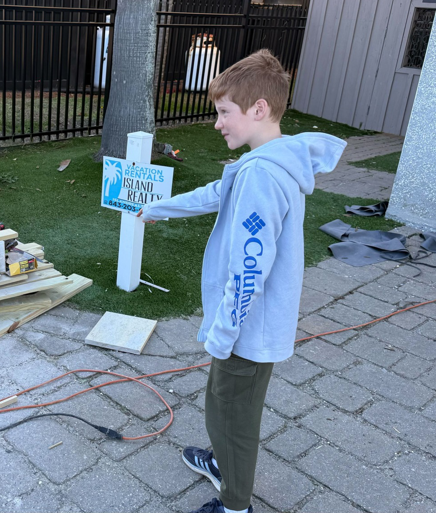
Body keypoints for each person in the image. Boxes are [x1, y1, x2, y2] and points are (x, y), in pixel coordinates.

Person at [138, 50, 346, 513]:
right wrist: (157, 208)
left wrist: (225, 333)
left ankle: (235, 504)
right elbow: (216, 192)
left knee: (233, 416)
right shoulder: (269, 161)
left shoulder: (263, 175)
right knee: (223, 405)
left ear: (258, 109)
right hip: (247, 326)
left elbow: (250, 267)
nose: (217, 123)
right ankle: (223, 464)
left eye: (223, 112)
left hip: (246, 330)